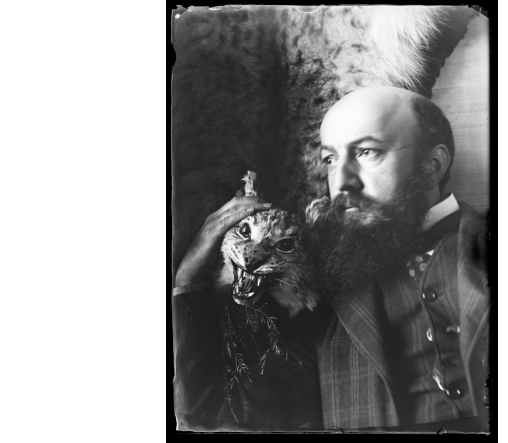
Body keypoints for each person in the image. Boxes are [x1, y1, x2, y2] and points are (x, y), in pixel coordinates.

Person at [173, 86, 489, 430]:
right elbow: (215, 414)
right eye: (330, 159)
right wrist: (188, 280)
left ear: (433, 165)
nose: (341, 181)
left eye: (367, 152)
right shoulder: (319, 281)